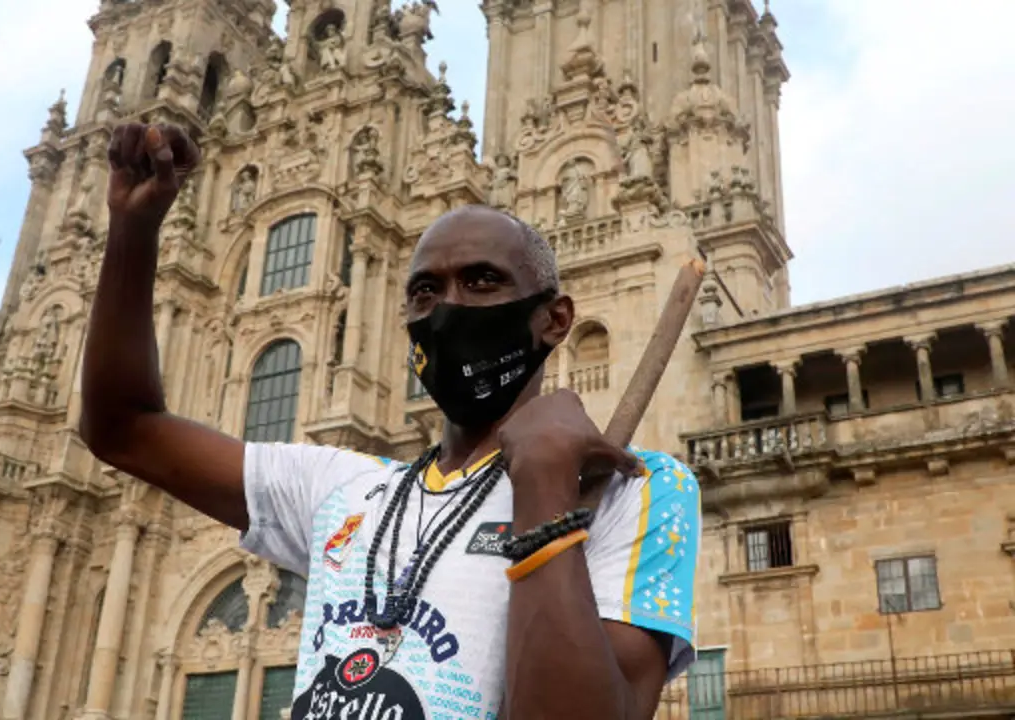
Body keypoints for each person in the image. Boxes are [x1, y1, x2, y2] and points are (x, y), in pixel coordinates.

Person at [80, 123, 702, 720]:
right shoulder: (339, 489)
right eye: (425, 291)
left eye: (482, 281)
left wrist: (543, 485)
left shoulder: (633, 490)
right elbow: (121, 429)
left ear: (556, 320)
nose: (448, 309)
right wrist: (133, 229)